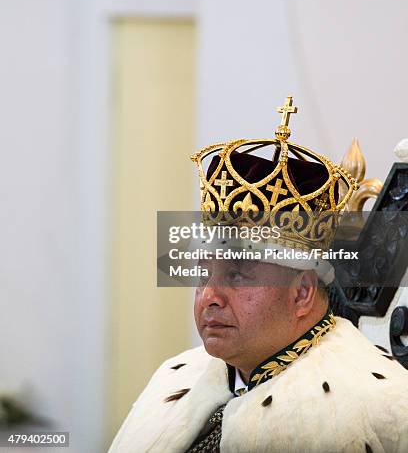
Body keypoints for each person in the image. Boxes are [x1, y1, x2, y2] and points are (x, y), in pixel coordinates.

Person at [109, 98, 408, 452]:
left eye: (236, 276)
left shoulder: (381, 408)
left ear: (301, 293)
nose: (209, 296)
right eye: (203, 275)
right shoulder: (173, 377)